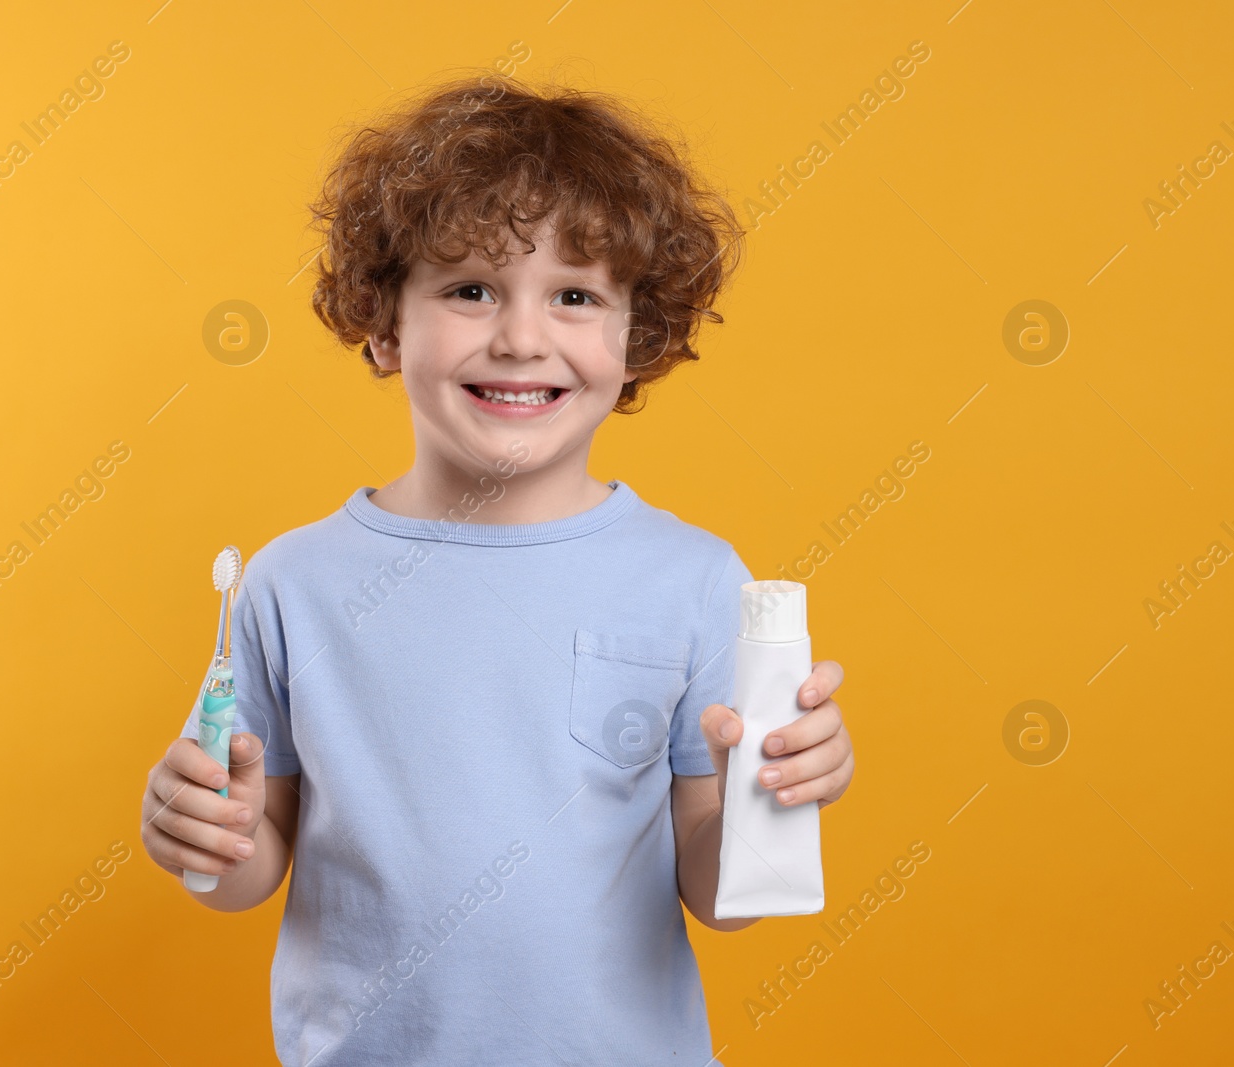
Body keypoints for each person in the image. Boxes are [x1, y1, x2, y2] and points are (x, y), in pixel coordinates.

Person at [141, 71, 856, 1066]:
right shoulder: (291, 583)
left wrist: (764, 802)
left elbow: (720, 894)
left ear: (633, 336)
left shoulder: (694, 581)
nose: (521, 338)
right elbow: (247, 865)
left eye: (574, 295)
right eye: (469, 289)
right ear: (385, 325)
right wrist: (200, 831)